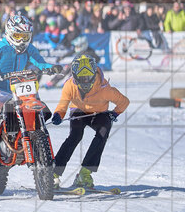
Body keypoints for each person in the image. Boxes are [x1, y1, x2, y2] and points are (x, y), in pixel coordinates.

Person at [0, 14, 62, 165]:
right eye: (18, 35)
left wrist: (51, 68)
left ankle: (36, 141)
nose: (21, 40)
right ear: (9, 32)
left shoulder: (30, 49)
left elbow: (40, 63)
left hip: (19, 88)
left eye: (25, 36)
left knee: (43, 111)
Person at [49, 55, 129, 189]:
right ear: (75, 76)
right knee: (75, 136)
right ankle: (54, 174)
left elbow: (124, 102)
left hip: (99, 113)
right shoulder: (69, 86)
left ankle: (85, 173)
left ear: (93, 75)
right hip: (78, 111)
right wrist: (58, 114)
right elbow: (63, 104)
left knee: (103, 132)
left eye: (88, 78)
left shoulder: (105, 89)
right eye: (82, 79)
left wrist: (114, 113)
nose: (85, 82)